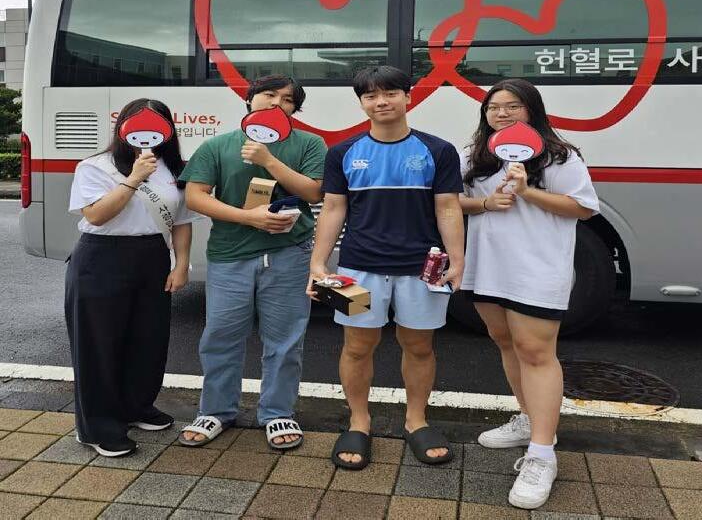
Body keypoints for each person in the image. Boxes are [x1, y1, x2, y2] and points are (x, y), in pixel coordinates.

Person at [307, 65, 465, 470]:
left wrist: (458, 259)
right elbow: (333, 209)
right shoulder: (342, 152)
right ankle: (359, 421)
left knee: (419, 346)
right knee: (357, 347)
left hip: (423, 269)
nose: (381, 102)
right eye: (371, 95)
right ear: (361, 103)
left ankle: (416, 421)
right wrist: (318, 263)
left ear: (408, 97)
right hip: (358, 269)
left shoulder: (439, 150)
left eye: (390, 93)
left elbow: (448, 207)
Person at [458, 79, 599, 510]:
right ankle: (527, 417)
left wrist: (528, 191)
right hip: (488, 266)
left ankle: (542, 453)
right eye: (493, 107)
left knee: (536, 352)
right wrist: (484, 204)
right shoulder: (477, 155)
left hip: (536, 270)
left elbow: (583, 207)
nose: (501, 114)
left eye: (512, 106)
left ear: (531, 111)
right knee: (506, 342)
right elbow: (453, 202)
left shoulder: (558, 155)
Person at [179, 75, 327, 450]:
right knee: (221, 335)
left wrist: (268, 160)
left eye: (287, 99)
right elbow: (195, 197)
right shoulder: (217, 145)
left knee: (285, 338)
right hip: (230, 254)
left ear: (295, 109)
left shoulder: (310, 143)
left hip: (290, 252)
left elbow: (314, 192)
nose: (277, 103)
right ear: (249, 100)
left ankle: (277, 412)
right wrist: (249, 218)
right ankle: (215, 410)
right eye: (268, 94)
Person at [65, 99, 196, 457]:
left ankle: (137, 406)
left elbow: (182, 221)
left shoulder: (174, 168)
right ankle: (97, 427)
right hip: (101, 257)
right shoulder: (96, 166)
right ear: (123, 127)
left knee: (148, 339)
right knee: (99, 344)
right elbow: (96, 215)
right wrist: (134, 178)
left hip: (153, 256)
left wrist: (181, 264)